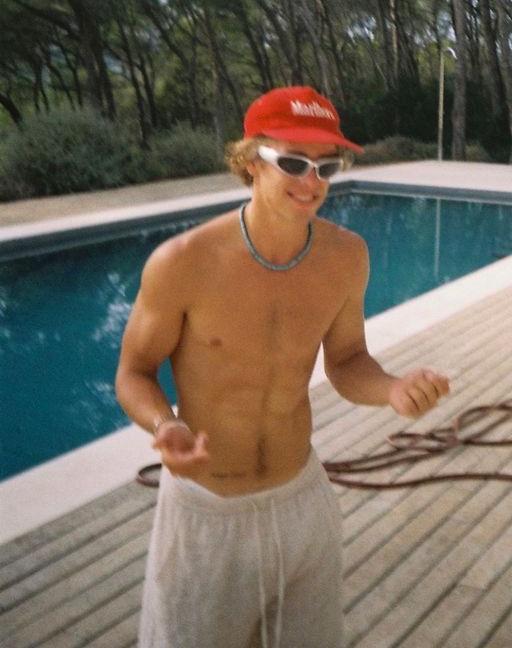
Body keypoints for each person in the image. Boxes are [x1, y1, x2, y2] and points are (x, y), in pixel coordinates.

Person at [115, 85, 450, 648]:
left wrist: (392, 388)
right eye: (293, 162)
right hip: (208, 510)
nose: (311, 181)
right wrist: (164, 425)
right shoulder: (183, 262)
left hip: (302, 501)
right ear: (250, 162)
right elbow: (134, 372)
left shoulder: (346, 257)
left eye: (327, 165)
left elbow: (346, 361)